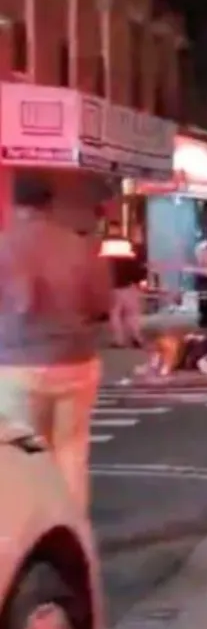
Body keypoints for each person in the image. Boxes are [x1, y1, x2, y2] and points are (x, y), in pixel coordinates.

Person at [0, 176, 113, 512]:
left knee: (24, 455)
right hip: (76, 360)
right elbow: (101, 304)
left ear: (13, 204)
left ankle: (34, 526)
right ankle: (71, 524)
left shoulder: (5, 246)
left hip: (15, 364)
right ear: (50, 204)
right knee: (72, 451)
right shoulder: (80, 247)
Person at [101, 221, 146, 348]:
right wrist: (138, 280)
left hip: (115, 285)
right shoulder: (126, 245)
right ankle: (136, 337)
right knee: (131, 313)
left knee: (115, 314)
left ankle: (119, 340)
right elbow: (134, 265)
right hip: (128, 284)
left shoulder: (106, 245)